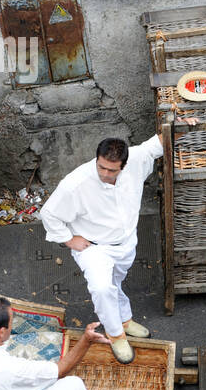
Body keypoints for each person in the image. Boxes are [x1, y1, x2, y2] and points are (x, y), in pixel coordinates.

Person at [40, 133, 169, 364]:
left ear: (124, 165)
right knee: (101, 288)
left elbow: (156, 144)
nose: (105, 174)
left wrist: (182, 121)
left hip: (126, 242)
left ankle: (125, 319)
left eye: (112, 170)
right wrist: (69, 239)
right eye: (101, 167)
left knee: (114, 284)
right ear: (97, 159)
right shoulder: (75, 184)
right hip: (94, 248)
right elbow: (49, 213)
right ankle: (115, 334)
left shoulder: (137, 160)